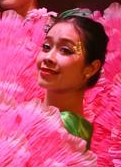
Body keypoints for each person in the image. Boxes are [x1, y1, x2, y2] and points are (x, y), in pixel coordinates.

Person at [36, 10, 108, 148]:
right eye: (46, 47)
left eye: (65, 50)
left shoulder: (64, 129)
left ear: (91, 68)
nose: (48, 57)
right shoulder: (44, 119)